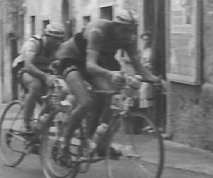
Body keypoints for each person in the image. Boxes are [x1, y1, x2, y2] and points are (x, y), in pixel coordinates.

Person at [59, 10, 160, 159]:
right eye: (125, 30)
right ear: (115, 26)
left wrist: (156, 80)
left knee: (110, 97)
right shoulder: (98, 31)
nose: (128, 34)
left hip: (99, 61)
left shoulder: (129, 39)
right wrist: (111, 74)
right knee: (85, 102)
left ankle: (98, 142)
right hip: (73, 58)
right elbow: (90, 66)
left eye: (132, 30)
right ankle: (64, 143)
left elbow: (141, 69)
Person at [12, 22, 66, 133]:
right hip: (23, 68)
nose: (58, 43)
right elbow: (28, 65)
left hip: (43, 69)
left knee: (58, 90)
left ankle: (41, 124)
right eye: (55, 39)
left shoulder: (59, 47)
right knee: (35, 85)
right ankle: (26, 123)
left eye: (60, 39)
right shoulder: (34, 43)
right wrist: (46, 77)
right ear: (47, 36)